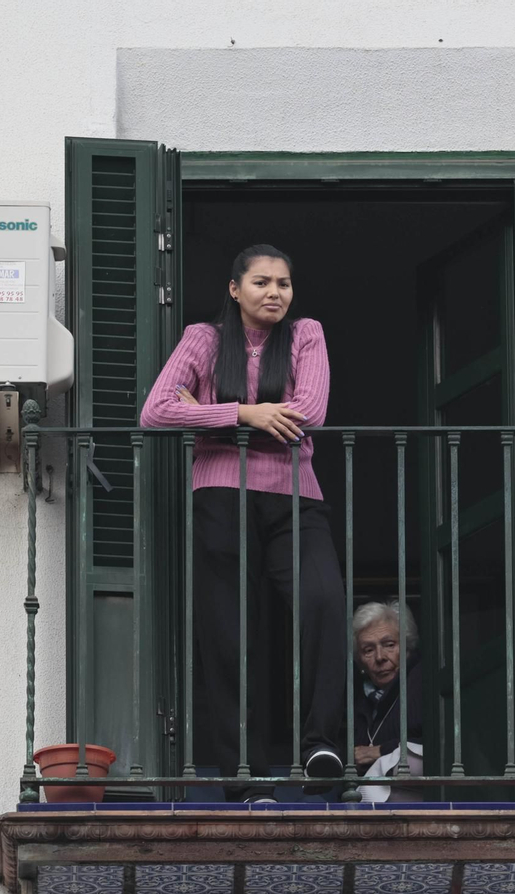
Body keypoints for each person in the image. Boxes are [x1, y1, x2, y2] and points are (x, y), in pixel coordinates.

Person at [140, 244, 346, 803]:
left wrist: (203, 415)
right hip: (220, 498)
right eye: (261, 282)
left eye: (283, 283)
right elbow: (156, 411)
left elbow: (311, 412)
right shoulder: (203, 340)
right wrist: (245, 414)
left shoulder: (305, 335)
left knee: (324, 600)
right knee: (230, 632)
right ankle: (245, 775)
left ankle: (319, 744)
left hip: (295, 496)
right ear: (235, 289)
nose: (274, 292)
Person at [351, 600, 423, 774]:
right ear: (360, 660)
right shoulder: (361, 696)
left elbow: (442, 742)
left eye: (389, 645)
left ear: (407, 646)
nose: (380, 657)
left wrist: (381, 750)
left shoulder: (422, 682)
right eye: (368, 650)